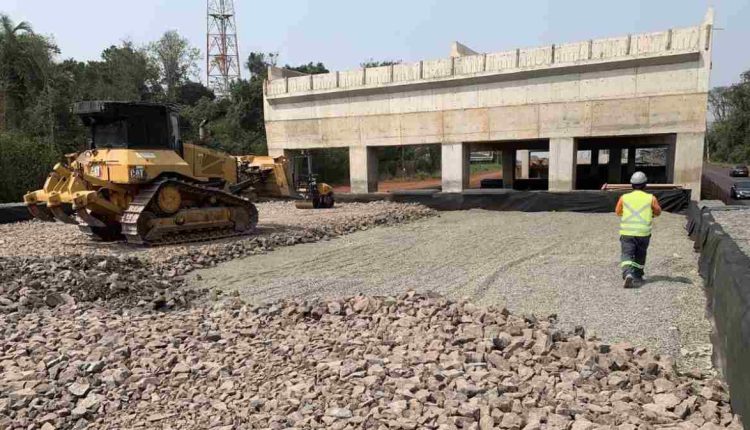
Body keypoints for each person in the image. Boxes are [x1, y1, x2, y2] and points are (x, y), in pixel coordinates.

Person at [615, 171, 662, 288]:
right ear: (645, 184)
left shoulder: (624, 197)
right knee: (640, 254)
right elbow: (658, 212)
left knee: (626, 254)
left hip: (627, 232)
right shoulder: (651, 198)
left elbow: (618, 212)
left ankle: (627, 273)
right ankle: (637, 275)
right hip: (643, 233)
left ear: (631, 185)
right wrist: (651, 214)